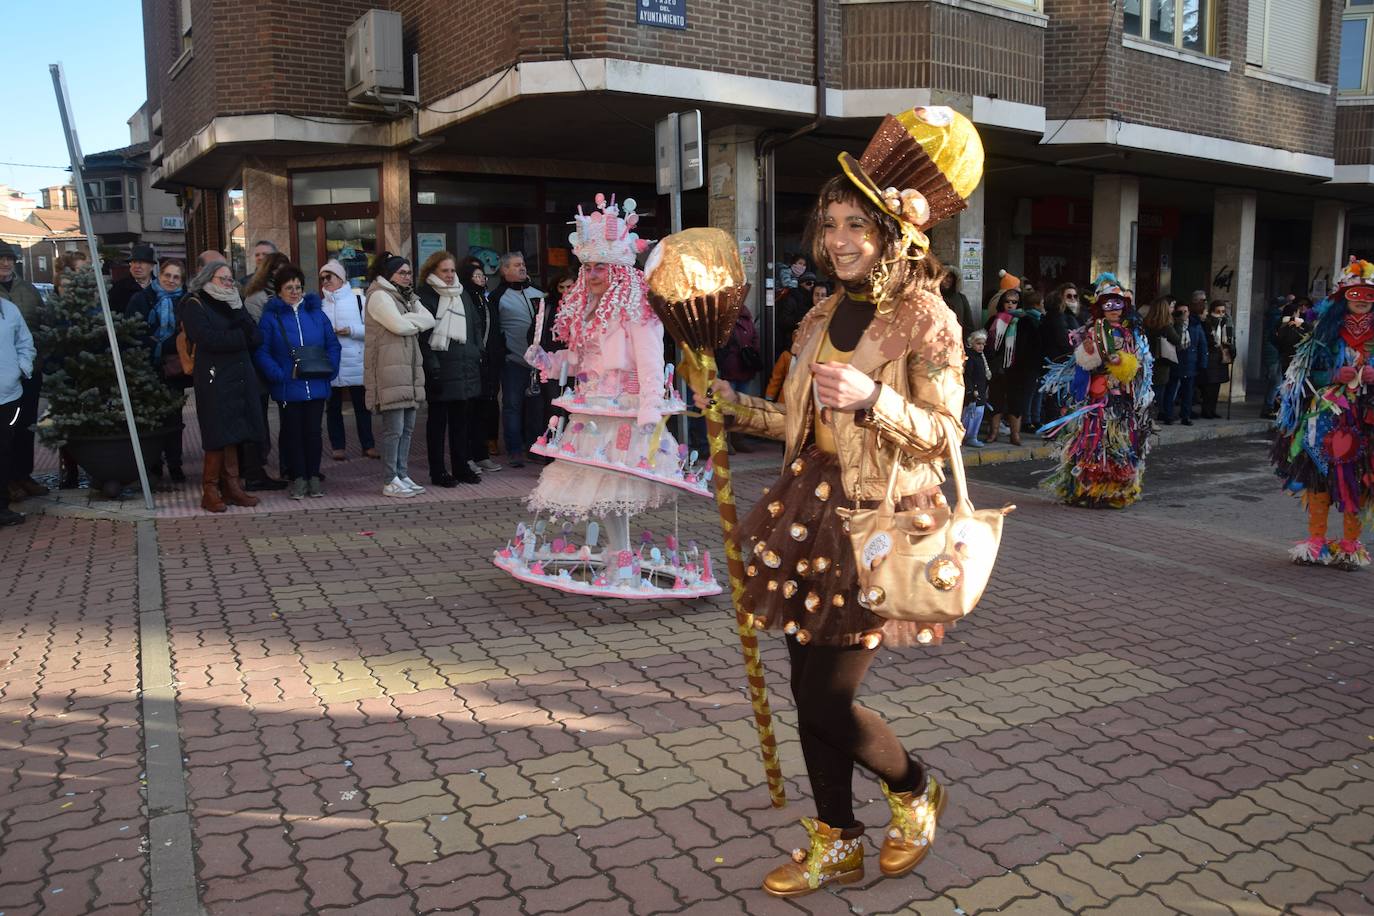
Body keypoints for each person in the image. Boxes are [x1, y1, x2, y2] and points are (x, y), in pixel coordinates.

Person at [702, 105, 982, 898]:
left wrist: (871, 398)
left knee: (826, 698)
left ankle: (914, 788)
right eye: (829, 224)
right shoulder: (823, 310)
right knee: (805, 691)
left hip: (876, 520)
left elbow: (946, 433)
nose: (838, 239)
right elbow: (797, 419)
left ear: (895, 228)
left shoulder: (928, 318)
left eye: (857, 223)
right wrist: (729, 404)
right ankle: (838, 840)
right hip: (806, 508)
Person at [503, 194, 713, 598]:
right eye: (588, 267)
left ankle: (622, 559)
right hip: (591, 413)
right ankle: (619, 556)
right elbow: (580, 362)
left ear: (618, 269)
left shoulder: (638, 310)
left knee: (614, 491)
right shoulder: (589, 309)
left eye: (601, 266)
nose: (593, 273)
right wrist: (547, 359)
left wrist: (651, 410)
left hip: (626, 415)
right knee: (598, 492)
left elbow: (653, 363)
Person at [1273, 257, 1374, 571]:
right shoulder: (1324, 334)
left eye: (1369, 296)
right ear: (1343, 296)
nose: (1362, 302)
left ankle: (1349, 545)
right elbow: (1301, 375)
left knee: (1359, 480)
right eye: (1355, 295)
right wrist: (1333, 374)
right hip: (1326, 417)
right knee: (1318, 476)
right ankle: (1316, 542)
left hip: (1365, 419)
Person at [1040, 273, 1153, 509]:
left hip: (1121, 399)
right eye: (1108, 305)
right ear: (1100, 307)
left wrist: (1124, 364)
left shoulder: (1131, 333)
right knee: (1092, 444)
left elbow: (1140, 365)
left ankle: (1114, 492)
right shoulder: (1092, 331)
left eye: (1118, 304)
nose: (1113, 309)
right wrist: (1089, 351)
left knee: (1118, 445)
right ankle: (1086, 490)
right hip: (1097, 399)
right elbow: (1083, 362)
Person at [179, 261, 265, 513]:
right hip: (214, 376)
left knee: (236, 429)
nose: (229, 284)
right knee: (217, 431)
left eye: (231, 280)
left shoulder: (234, 302)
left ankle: (233, 487)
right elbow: (206, 338)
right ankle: (210, 490)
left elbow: (256, 336)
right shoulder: (193, 303)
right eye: (223, 279)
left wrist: (240, 317)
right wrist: (241, 339)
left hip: (239, 375)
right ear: (208, 278)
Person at [254, 263, 340, 499]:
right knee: (293, 434)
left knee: (313, 433)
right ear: (279, 290)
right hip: (288, 386)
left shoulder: (316, 314)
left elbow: (332, 344)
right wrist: (278, 374)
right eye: (289, 287)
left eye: (298, 287)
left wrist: (330, 368)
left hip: (316, 384)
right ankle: (299, 478)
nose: (294, 291)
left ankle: (314, 476)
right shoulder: (271, 318)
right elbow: (262, 351)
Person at [364, 253, 435, 498]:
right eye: (401, 273)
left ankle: (402, 474)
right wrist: (411, 322)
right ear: (389, 274)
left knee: (407, 429)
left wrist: (409, 320)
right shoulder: (379, 295)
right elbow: (400, 326)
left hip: (409, 370)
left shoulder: (406, 296)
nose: (407, 277)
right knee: (393, 430)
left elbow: (429, 319)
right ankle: (389, 478)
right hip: (389, 371)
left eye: (408, 273)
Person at [417, 250, 484, 487]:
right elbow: (423, 337)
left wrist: (476, 352)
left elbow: (475, 324)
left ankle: (461, 467)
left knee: (461, 423)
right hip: (440, 368)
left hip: (464, 366)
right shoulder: (424, 295)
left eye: (452, 270)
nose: (449, 275)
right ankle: (438, 471)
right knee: (437, 424)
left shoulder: (461, 293)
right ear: (432, 271)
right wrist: (432, 367)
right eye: (444, 270)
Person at [125, 258, 191, 484]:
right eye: (167, 276)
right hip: (147, 366)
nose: (171, 281)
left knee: (173, 418)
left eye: (176, 277)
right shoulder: (141, 298)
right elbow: (131, 331)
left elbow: (188, 334)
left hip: (174, 367)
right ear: (159, 275)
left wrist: (168, 344)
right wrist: (153, 345)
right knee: (151, 419)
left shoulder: (186, 301)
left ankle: (175, 464)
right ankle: (153, 465)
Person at [239, 251, 294, 489]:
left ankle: (289, 465)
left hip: (287, 363)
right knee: (258, 417)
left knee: (290, 417)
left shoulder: (291, 294)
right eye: (277, 270)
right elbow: (259, 335)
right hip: (261, 365)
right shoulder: (256, 297)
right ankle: (256, 466)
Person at [0, 240, 46, 501]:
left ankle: (23, 475)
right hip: (3, 378)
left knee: (27, 425)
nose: (6, 263)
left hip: (29, 371)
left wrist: (31, 362)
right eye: (1, 259)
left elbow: (41, 323)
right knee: (7, 431)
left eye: (10, 259)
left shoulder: (27, 289)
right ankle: (6, 482)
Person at [492, 252, 547, 468]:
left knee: (536, 407)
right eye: (516, 265)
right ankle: (514, 449)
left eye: (523, 264)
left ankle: (534, 448)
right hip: (513, 361)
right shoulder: (498, 296)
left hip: (539, 363)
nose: (522, 268)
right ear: (504, 270)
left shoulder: (538, 293)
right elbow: (494, 331)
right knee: (512, 406)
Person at [317, 260, 376, 461]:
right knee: (333, 407)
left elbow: (373, 330)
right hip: (332, 363)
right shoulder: (320, 304)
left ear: (341, 278)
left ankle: (368, 445)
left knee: (362, 407)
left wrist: (351, 331)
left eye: (329, 277)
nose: (325, 281)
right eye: (322, 278)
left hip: (355, 361)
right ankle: (337, 446)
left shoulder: (358, 299)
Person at [463, 255, 503, 475]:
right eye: (476, 275)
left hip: (488, 364)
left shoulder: (485, 299)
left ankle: (482, 455)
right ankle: (467, 456)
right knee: (469, 413)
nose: (480, 279)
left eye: (482, 275)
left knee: (484, 411)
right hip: (472, 363)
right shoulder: (465, 298)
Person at [0, 293, 35, 526]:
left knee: (3, 451)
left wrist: (21, 369)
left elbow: (25, 343)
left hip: (8, 395)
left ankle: (2, 507)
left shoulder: (10, 310)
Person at [1141, 296, 1181, 421]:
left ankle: (1146, 417)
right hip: (1162, 364)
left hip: (1147, 363)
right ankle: (1152, 418)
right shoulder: (1166, 327)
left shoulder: (1145, 324)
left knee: (1148, 393)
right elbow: (1177, 341)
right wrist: (1178, 323)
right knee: (1158, 393)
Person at [1199, 299, 1235, 419]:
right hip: (1211, 355)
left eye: (1223, 311)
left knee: (1216, 386)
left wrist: (1232, 349)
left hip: (1221, 356)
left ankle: (1212, 409)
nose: (1221, 313)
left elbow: (1230, 337)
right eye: (1218, 311)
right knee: (1209, 385)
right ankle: (1206, 410)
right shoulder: (1208, 322)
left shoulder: (1225, 322)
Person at [110, 244, 156, 316]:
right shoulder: (119, 288)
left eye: (141, 262)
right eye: (134, 262)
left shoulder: (160, 287)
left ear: (151, 266)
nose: (137, 266)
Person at [963, 329, 990, 447]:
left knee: (978, 413)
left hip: (981, 391)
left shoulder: (980, 357)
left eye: (983, 344)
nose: (981, 347)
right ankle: (967, 436)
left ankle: (972, 435)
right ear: (971, 343)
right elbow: (967, 375)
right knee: (970, 414)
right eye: (978, 344)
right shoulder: (970, 358)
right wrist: (972, 389)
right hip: (973, 392)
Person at [939, 266, 976, 335]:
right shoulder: (934, 297)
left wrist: (965, 341)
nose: (947, 280)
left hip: (957, 339)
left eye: (950, 277)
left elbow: (968, 324)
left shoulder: (961, 298)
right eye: (944, 276)